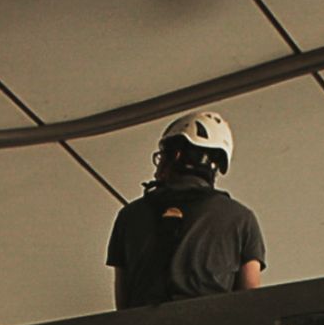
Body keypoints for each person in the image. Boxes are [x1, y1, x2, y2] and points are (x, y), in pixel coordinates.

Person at [106, 111, 265, 309]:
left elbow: (123, 305)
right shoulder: (241, 219)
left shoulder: (129, 216)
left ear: (176, 155)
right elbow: (250, 304)